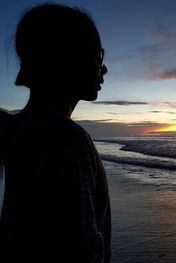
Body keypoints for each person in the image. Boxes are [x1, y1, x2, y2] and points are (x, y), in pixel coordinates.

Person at [0, 4, 111, 263]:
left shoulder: (20, 129)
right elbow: (82, 249)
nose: (103, 68)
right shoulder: (68, 139)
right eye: (98, 55)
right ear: (61, 57)